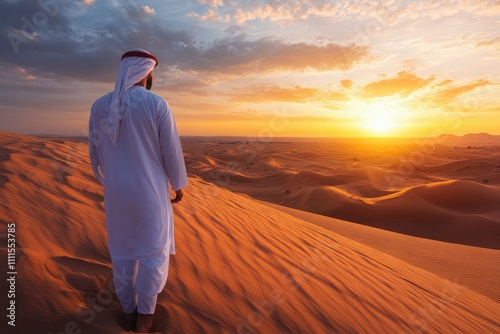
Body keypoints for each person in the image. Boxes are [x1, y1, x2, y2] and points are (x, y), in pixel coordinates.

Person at [88, 48, 188, 332]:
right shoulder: (157, 104)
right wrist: (178, 185)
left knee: (122, 252)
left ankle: (127, 309)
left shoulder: (99, 106)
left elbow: (94, 151)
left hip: (117, 195)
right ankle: (145, 315)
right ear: (148, 72)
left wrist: (110, 179)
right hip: (150, 194)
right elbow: (171, 151)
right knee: (152, 253)